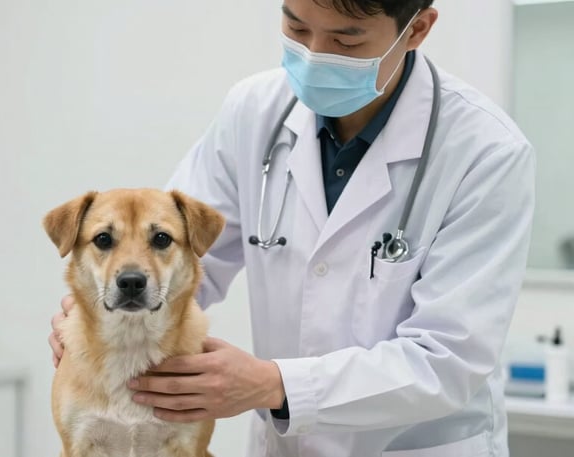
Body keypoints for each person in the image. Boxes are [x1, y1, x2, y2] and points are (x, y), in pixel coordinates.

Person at [48, 0, 535, 455]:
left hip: (411, 444)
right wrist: (93, 315)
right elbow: (182, 263)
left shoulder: (485, 152)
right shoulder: (254, 110)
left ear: (417, 29)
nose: (315, 55)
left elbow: (448, 359)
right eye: (296, 27)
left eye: (346, 41)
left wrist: (272, 384)